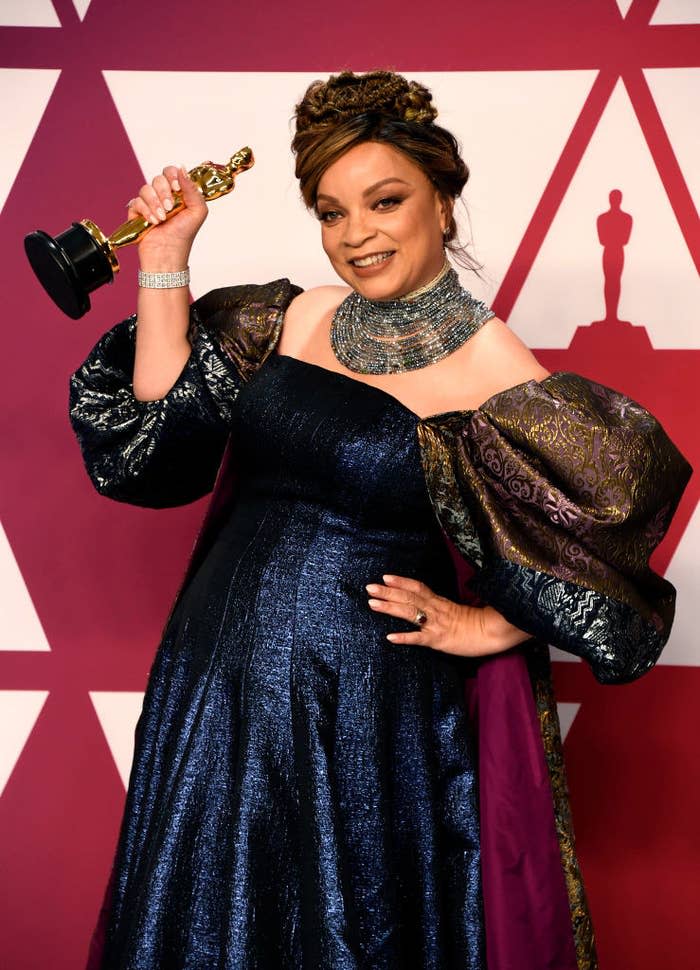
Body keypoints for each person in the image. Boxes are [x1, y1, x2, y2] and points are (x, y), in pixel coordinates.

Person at [69, 71, 691, 970]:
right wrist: (165, 257)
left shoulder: (492, 364)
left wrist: (490, 625)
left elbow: (608, 549)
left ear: (443, 201)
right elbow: (159, 435)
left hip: (360, 720)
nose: (355, 235)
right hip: (215, 687)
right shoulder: (296, 316)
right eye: (331, 212)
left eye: (384, 201)